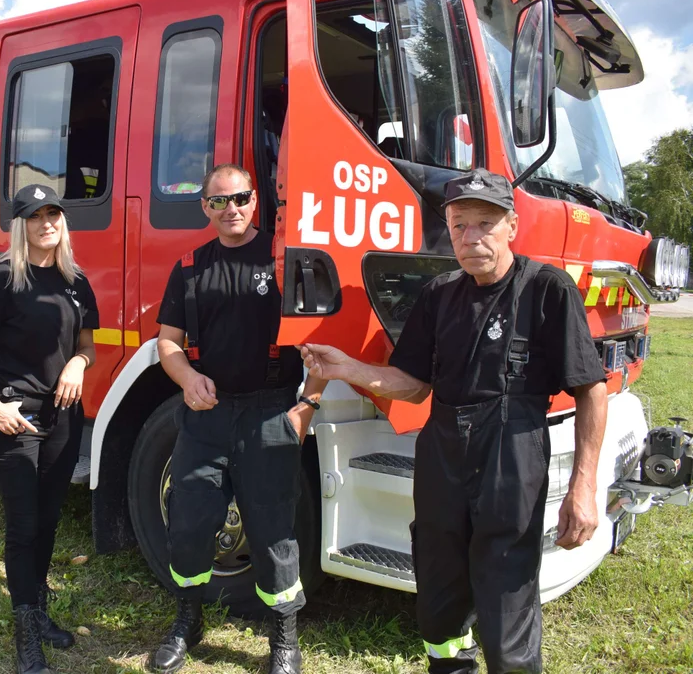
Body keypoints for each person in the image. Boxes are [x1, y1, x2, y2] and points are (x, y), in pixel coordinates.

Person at [301, 169, 607, 674]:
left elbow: (591, 389)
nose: (470, 237)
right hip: (442, 446)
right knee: (438, 588)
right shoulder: (439, 294)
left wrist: (584, 484)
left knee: (505, 594)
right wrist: (346, 369)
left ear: (512, 224)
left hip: (511, 448)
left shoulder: (546, 290)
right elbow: (413, 383)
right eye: (459, 224)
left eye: (484, 224)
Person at [150, 164, 325, 674]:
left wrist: (307, 406)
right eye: (217, 201)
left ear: (255, 202)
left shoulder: (285, 260)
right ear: (205, 208)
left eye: (240, 198)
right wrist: (186, 379)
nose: (230, 209)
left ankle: (284, 638)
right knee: (188, 523)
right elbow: (167, 341)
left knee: (274, 531)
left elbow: (318, 344)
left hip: (269, 414)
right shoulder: (189, 268)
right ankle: (187, 620)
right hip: (206, 415)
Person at [0, 184, 98, 674]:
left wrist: (79, 363)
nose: (46, 224)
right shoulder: (3, 279)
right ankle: (25, 639)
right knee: (22, 526)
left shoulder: (75, 281)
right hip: (15, 414)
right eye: (35, 216)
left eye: (53, 214)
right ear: (21, 225)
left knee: (49, 519)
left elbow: (87, 346)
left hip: (64, 414)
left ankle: (38, 614)